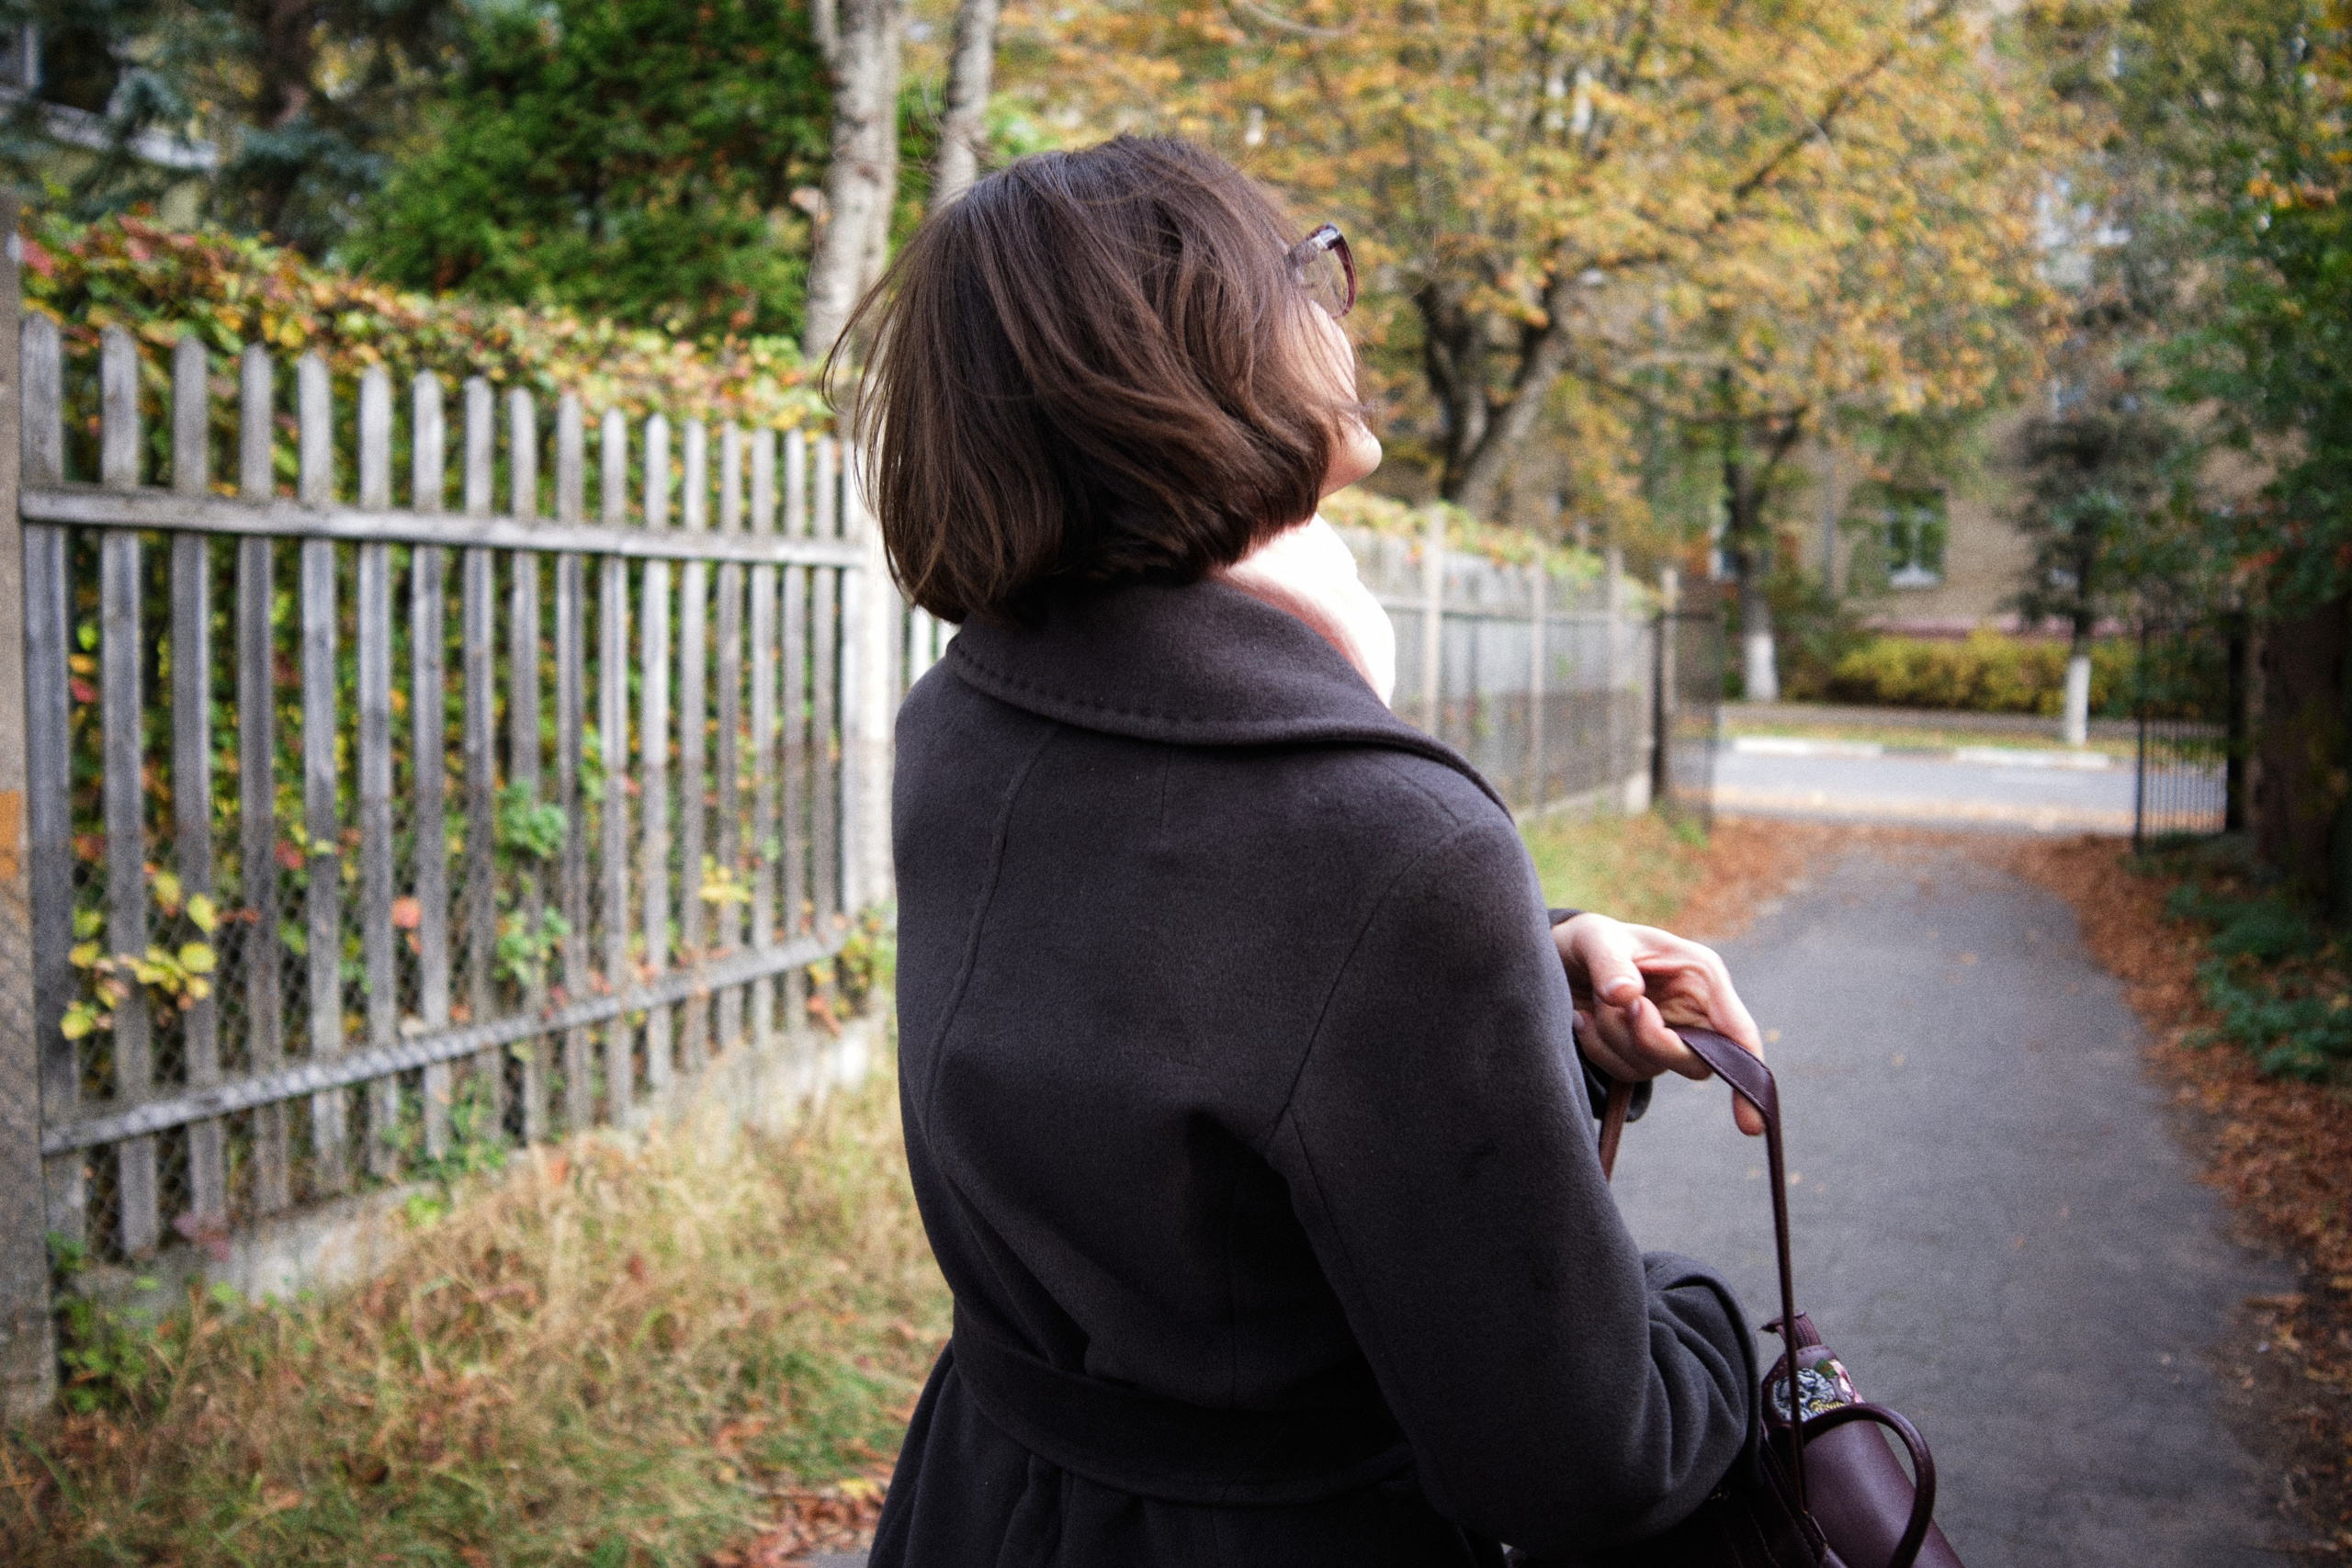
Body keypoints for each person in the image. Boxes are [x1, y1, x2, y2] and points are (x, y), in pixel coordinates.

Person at [844, 135, 1770, 1568]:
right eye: (1298, 267)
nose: (1332, 296)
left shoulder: (966, 716)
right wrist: (1715, 1320)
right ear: (1190, 362)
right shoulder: (1391, 850)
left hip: (990, 1504)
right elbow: (1585, 1463)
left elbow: (1179, 1027)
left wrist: (1525, 979)